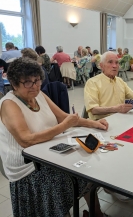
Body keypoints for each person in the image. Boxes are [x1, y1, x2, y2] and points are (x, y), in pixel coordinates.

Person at [0, 57, 109, 217]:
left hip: (48, 152)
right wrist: (64, 126)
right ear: (15, 84)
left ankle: (95, 213)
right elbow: (25, 140)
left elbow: (63, 117)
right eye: (28, 82)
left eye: (37, 80)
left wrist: (95, 124)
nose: (35, 86)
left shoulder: (39, 95)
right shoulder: (9, 104)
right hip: (27, 166)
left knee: (87, 168)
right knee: (61, 181)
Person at [84, 51, 133, 120]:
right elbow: (93, 110)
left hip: (120, 119)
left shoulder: (120, 81)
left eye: (117, 63)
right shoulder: (92, 83)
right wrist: (116, 109)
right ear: (101, 66)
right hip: (101, 123)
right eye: (110, 62)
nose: (114, 66)